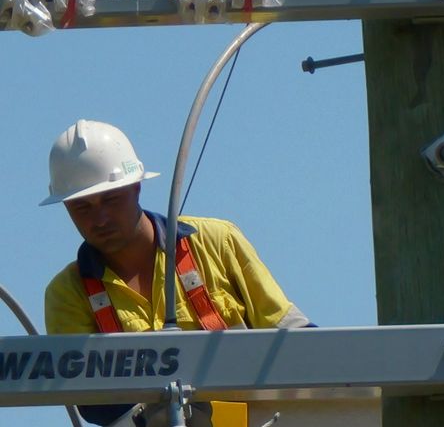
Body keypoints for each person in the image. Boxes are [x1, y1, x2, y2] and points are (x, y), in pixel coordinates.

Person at [42, 120, 312, 343]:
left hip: (251, 409)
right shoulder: (68, 294)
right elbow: (91, 403)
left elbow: (293, 336)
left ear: (136, 187)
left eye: (111, 200)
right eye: (82, 208)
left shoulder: (216, 242)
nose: (100, 219)